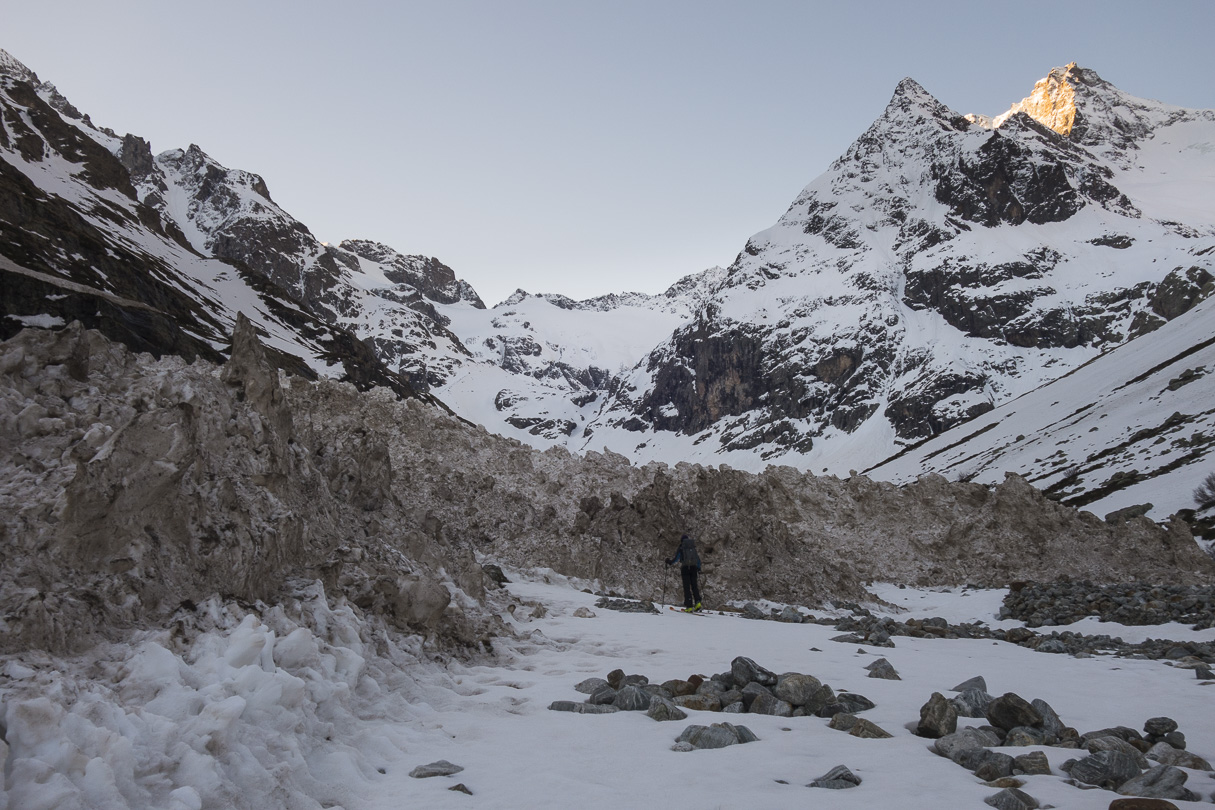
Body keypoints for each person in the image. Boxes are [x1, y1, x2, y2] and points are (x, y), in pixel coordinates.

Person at [665, 534, 702, 612]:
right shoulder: (692, 547)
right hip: (694, 568)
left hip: (685, 569)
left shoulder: (682, 547)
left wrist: (669, 562)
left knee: (687, 587)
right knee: (694, 586)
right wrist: (698, 568)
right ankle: (698, 603)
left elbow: (676, 558)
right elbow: (697, 559)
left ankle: (689, 606)